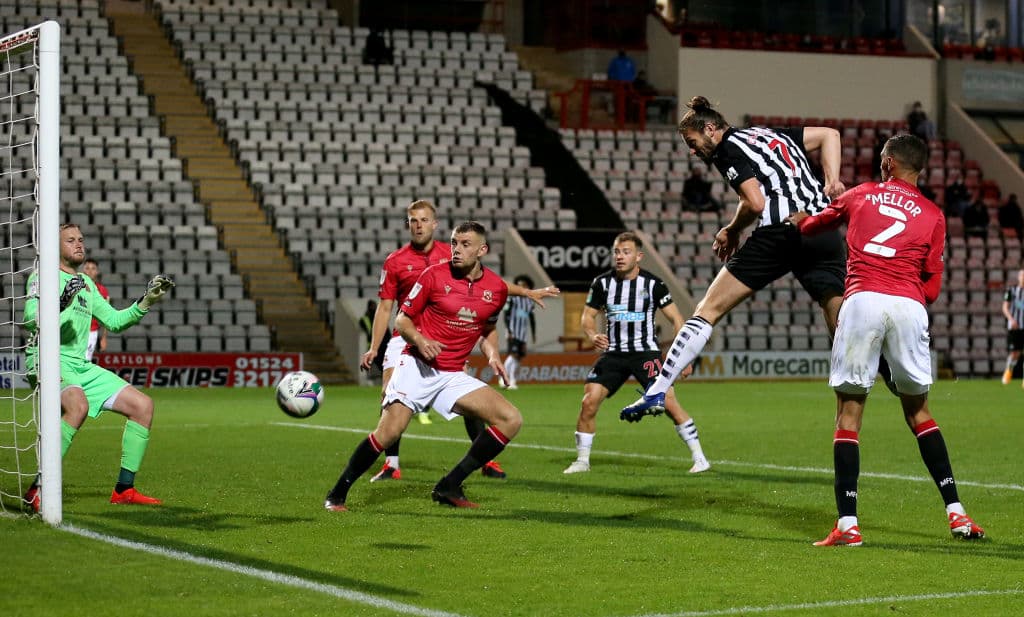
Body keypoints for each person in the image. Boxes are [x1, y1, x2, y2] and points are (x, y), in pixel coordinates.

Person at [787, 133, 984, 545]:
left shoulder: (861, 194)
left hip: (862, 301)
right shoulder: (934, 215)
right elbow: (933, 290)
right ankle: (957, 514)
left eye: (882, 158)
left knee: (849, 415)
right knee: (920, 413)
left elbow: (814, 226)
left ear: (890, 163)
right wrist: (904, 292)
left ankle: (848, 525)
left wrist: (799, 219)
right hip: (909, 306)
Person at [621, 96, 847, 420]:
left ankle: (658, 389)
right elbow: (830, 135)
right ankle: (878, 383)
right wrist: (832, 180)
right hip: (823, 230)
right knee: (840, 324)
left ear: (710, 129)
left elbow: (755, 203)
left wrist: (732, 230)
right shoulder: (767, 134)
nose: (692, 151)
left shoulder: (726, 148)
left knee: (707, 310)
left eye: (692, 142)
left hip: (783, 230)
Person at [325, 221, 521, 510]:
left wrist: (493, 355)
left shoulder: (496, 288)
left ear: (482, 250)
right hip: (417, 366)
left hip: (452, 374)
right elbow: (402, 320)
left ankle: (449, 485)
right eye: (454, 243)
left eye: (465, 244)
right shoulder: (433, 275)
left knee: (511, 419)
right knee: (389, 432)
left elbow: (488, 328)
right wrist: (420, 339)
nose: (456, 249)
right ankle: (337, 494)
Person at [359, 200, 557, 482]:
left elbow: (492, 285)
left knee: (469, 397)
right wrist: (374, 347)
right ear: (408, 224)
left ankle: (485, 459)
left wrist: (526, 292)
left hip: (446, 338)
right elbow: (385, 307)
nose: (418, 226)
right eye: (413, 220)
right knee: (388, 397)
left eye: (424, 220)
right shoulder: (395, 261)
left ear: (434, 224)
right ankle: (392, 464)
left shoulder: (452, 252)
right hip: (407, 335)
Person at [22, 223, 174, 511]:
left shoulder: (87, 284)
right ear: (55, 247)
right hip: (46, 359)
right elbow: (30, 319)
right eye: (70, 240)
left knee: (142, 406)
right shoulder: (43, 276)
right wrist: (61, 301)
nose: (79, 244)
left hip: (79, 365)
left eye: (80, 239)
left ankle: (124, 489)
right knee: (77, 406)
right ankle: (37, 488)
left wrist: (147, 301)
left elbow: (114, 322)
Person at [564, 232, 709, 475]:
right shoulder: (602, 283)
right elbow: (587, 316)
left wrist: (685, 357)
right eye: (617, 252)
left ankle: (700, 459)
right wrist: (591, 334)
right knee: (588, 401)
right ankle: (582, 461)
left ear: (639, 256)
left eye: (626, 252)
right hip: (614, 354)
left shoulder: (653, 284)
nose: (620, 257)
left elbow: (677, 319)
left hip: (646, 354)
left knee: (669, 404)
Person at [501, 275, 536, 390]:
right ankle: (504, 378)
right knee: (513, 355)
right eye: (519, 285)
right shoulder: (512, 299)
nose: (522, 287)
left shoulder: (529, 302)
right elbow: (506, 315)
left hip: (523, 334)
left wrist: (533, 334)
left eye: (524, 285)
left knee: (518, 358)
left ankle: (512, 380)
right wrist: (509, 330)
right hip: (513, 332)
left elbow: (531, 318)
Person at [81, 258, 109, 362]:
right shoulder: (75, 287)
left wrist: (104, 337)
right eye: (87, 268)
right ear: (83, 270)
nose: (90, 271)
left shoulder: (102, 291)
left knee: (86, 361)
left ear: (97, 272)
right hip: (77, 330)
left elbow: (106, 315)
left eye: (93, 268)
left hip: (92, 332)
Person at [1001, 268, 1024, 386]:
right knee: (1015, 353)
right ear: (1018, 277)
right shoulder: (1012, 291)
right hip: (1015, 326)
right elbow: (1005, 307)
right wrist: (1011, 319)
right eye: (1022, 275)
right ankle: (1008, 371)